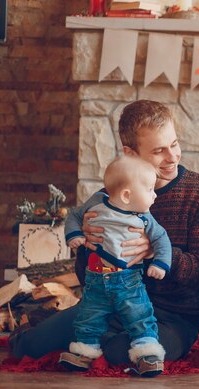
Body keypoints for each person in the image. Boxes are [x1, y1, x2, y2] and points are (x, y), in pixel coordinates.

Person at [9, 100, 199, 372]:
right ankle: (50, 329)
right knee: (30, 346)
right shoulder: (110, 199)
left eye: (174, 144)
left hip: (174, 316)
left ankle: (99, 339)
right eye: (159, 151)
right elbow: (87, 276)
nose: (172, 157)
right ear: (130, 153)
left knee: (119, 352)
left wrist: (154, 252)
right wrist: (88, 245)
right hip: (110, 304)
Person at [59, 155, 171, 377]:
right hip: (96, 280)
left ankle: (147, 354)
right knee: (89, 316)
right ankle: (85, 351)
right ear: (127, 195)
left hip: (128, 281)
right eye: (150, 189)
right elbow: (73, 216)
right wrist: (74, 234)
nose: (155, 194)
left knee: (139, 316)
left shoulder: (145, 218)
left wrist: (160, 262)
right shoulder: (96, 202)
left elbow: (161, 238)